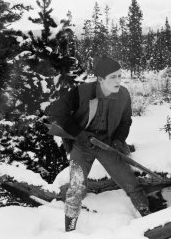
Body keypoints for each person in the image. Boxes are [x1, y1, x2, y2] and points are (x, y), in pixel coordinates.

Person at [49, 57, 150, 232]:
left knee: (131, 185)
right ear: (100, 79)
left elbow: (126, 121)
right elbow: (56, 110)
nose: (118, 80)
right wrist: (78, 134)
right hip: (81, 145)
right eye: (113, 77)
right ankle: (69, 230)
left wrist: (118, 140)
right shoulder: (82, 92)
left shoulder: (124, 95)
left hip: (106, 145)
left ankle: (150, 222)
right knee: (76, 188)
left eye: (119, 75)